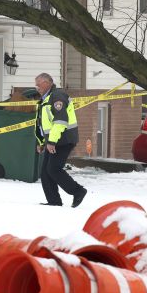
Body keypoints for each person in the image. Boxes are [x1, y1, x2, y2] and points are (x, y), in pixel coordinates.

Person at [33, 73, 88, 207]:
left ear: (48, 83)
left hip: (63, 139)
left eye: (39, 84)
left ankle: (78, 191)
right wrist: (42, 142)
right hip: (53, 140)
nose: (37, 87)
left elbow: (60, 121)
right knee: (46, 172)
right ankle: (54, 201)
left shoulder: (57, 96)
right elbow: (42, 124)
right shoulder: (45, 99)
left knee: (53, 169)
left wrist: (52, 142)